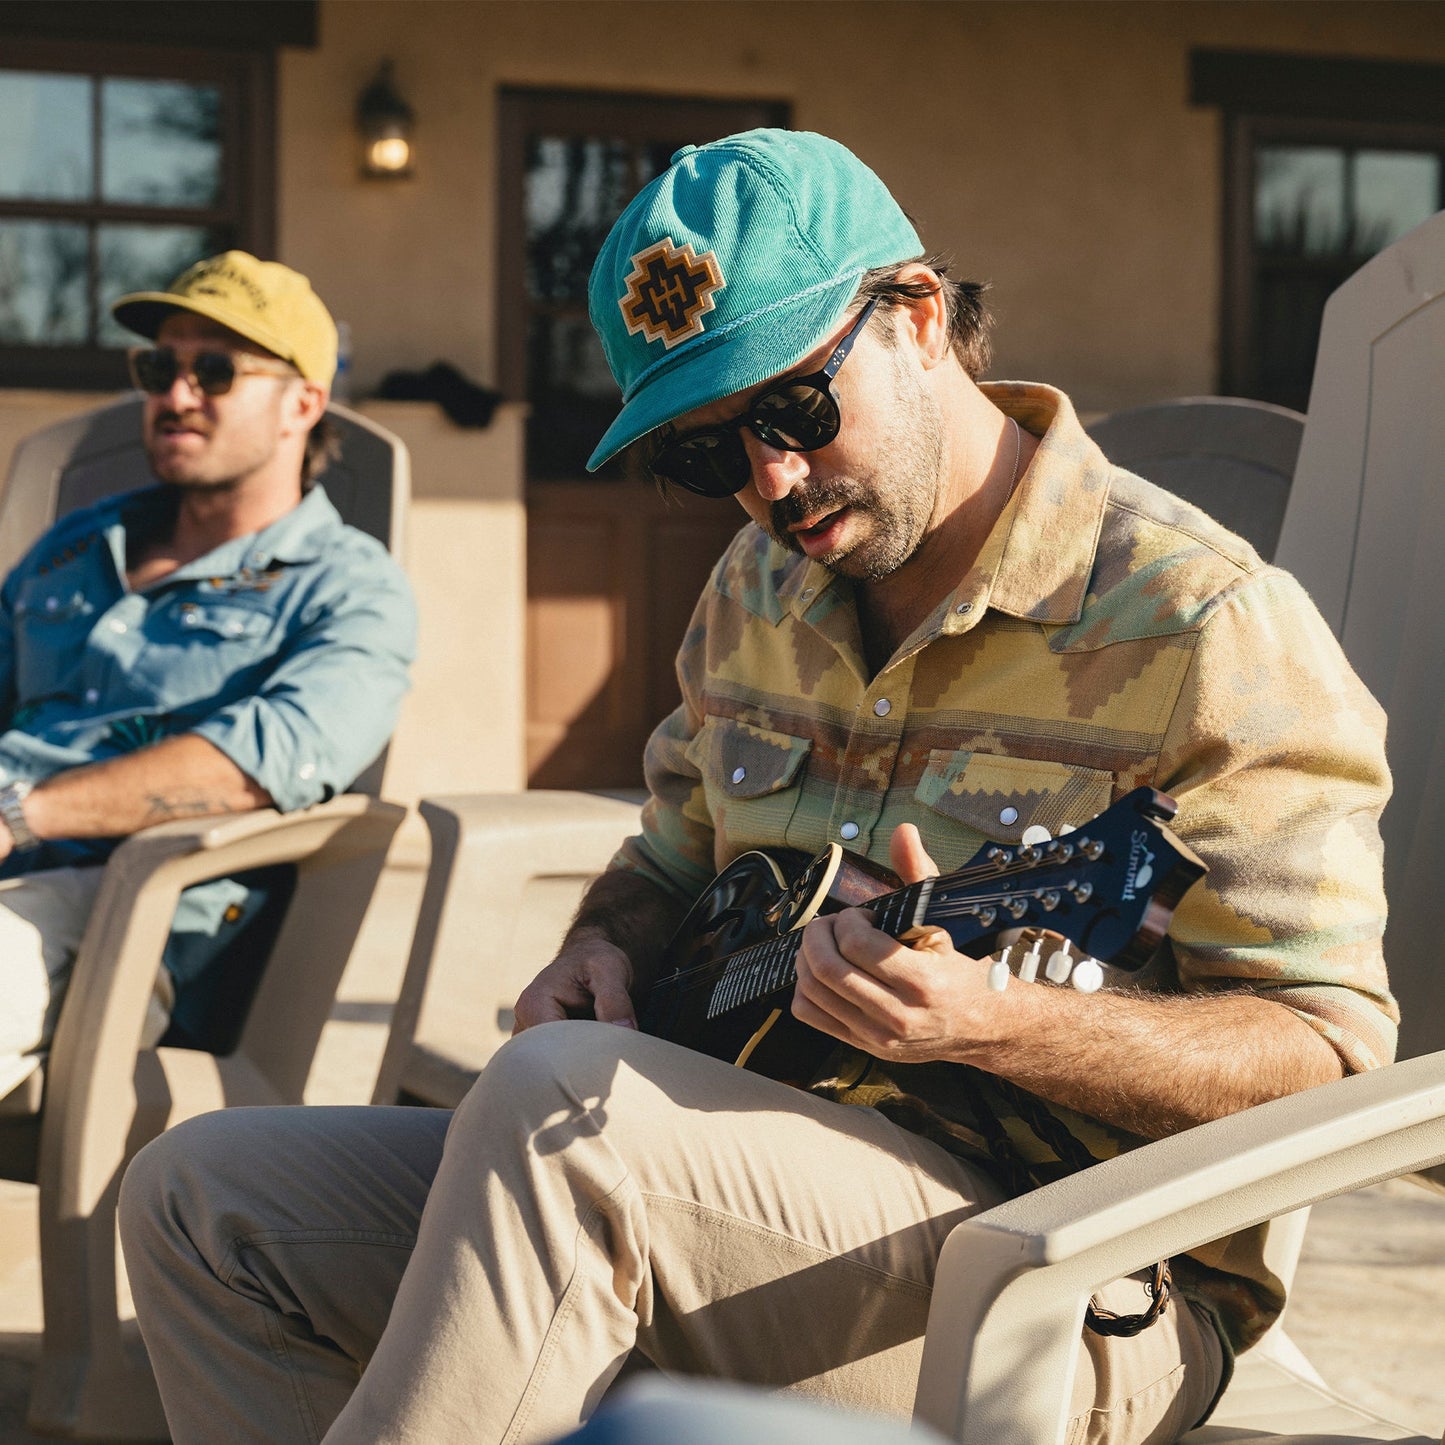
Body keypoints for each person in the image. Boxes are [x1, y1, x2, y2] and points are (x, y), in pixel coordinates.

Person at [119, 133, 1393, 1445]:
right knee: (206, 1193)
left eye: (788, 412)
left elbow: (1324, 1055)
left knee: (561, 1117)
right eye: (703, 452)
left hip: (1065, 1281)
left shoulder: (1200, 623)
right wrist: (602, 947)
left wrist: (1004, 1024)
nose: (765, 482)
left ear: (916, 316)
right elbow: (668, 863)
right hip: (726, 1183)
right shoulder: (756, 586)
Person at [0, 250, 416, 1100]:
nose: (176, 395)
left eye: (215, 370)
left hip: (123, 909)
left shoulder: (349, 589)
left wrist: (19, 812)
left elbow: (266, 759)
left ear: (304, 401)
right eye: (160, 366)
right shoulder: (77, 545)